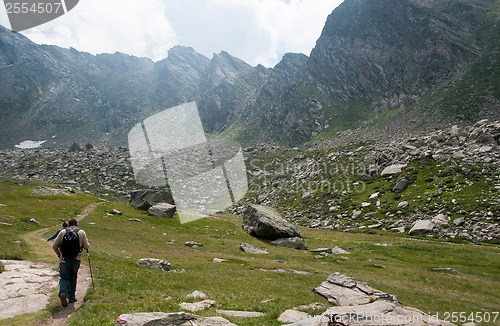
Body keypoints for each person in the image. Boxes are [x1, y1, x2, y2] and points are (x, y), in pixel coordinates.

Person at [52, 218, 90, 307]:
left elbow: (54, 246)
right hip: (76, 259)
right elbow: (86, 246)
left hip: (64, 259)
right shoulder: (81, 232)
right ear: (77, 225)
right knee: (73, 277)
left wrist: (59, 255)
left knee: (64, 277)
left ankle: (63, 292)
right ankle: (71, 297)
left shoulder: (63, 232)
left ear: (68, 225)